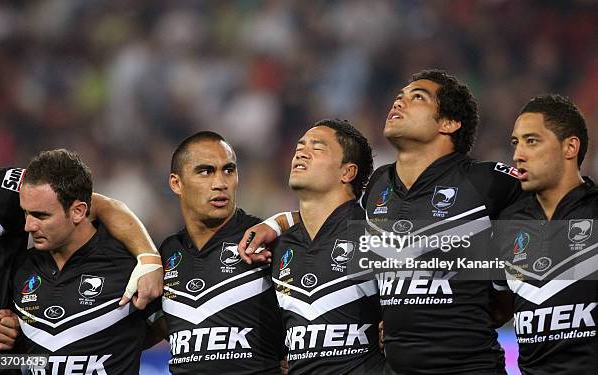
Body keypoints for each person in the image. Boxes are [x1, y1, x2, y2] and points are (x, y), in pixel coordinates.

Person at [240, 70, 521, 374]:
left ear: (449, 123)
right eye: (399, 96)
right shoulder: (379, 185)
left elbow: (555, 217)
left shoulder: (488, 180)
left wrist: (500, 286)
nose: (399, 102)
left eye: (417, 98)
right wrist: (279, 222)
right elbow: (330, 215)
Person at [0, 162, 163, 362]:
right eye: (26, 214)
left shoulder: (3, 186)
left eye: (40, 215)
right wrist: (22, 330)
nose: (27, 226)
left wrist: (149, 258)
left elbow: (95, 202)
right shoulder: (23, 270)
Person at [147, 132, 284, 374]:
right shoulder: (168, 252)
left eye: (229, 170)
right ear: (176, 183)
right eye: (206, 171)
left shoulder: (263, 241)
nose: (220, 183)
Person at [492, 94, 597, 374]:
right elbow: (498, 310)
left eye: (532, 141)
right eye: (515, 143)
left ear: (570, 147)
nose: (518, 154)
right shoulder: (507, 224)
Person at [271, 119, 385, 374]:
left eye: (317, 147)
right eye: (300, 146)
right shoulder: (278, 247)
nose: (301, 152)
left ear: (347, 172)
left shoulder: (373, 231)